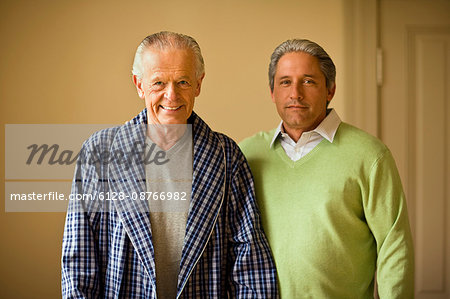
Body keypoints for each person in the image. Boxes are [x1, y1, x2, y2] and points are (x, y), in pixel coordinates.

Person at [61, 31, 278, 298]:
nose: (171, 95)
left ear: (198, 84)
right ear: (139, 85)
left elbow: (250, 263)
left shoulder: (227, 155)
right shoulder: (99, 151)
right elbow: (79, 259)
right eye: (159, 83)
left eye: (183, 82)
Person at [239, 39, 414, 298]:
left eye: (308, 81)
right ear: (272, 91)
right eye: (285, 82)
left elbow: (394, 246)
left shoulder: (370, 155)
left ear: (330, 89)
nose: (295, 93)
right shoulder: (246, 155)